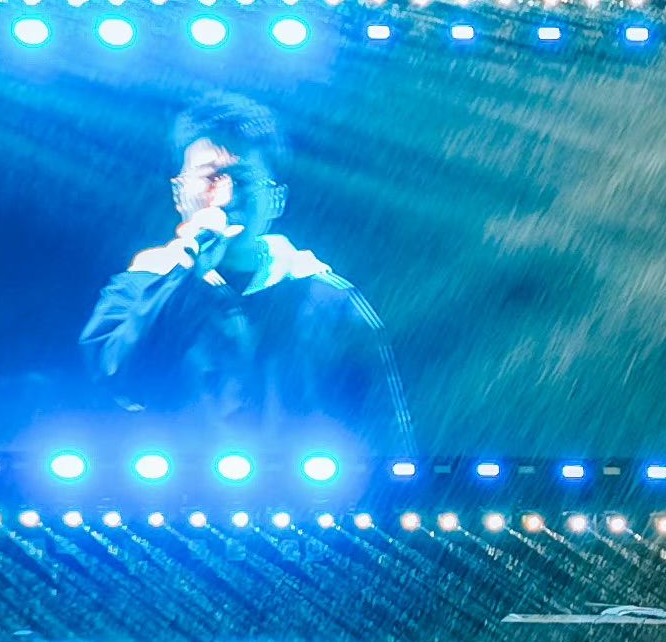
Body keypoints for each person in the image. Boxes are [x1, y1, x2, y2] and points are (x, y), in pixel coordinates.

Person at [80, 92, 415, 444]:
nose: (226, 197)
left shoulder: (328, 298)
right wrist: (186, 279)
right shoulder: (141, 286)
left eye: (242, 180)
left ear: (276, 199)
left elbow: (384, 428)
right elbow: (124, 383)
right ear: (179, 193)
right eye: (210, 178)